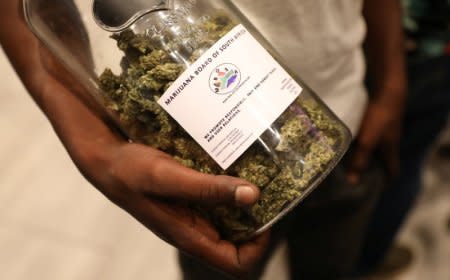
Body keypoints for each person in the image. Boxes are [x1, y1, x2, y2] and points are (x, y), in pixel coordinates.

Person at [0, 0, 406, 279]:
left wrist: (391, 77)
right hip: (208, 175)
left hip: (345, 103)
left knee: (332, 258)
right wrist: (91, 143)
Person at [357, 0, 450, 274]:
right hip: (405, 49)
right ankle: (358, 264)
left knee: (398, 165)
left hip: (423, 49)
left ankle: (364, 259)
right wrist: (391, 83)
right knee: (384, 168)